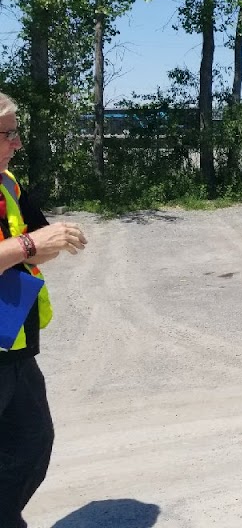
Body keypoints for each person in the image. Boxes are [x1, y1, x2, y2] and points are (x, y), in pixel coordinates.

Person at [0, 92, 88, 528]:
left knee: (32, 441)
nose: (17, 143)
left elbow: (37, 241)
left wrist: (53, 241)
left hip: (13, 344)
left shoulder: (9, 184)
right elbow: (30, 244)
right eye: (9, 133)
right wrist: (31, 245)